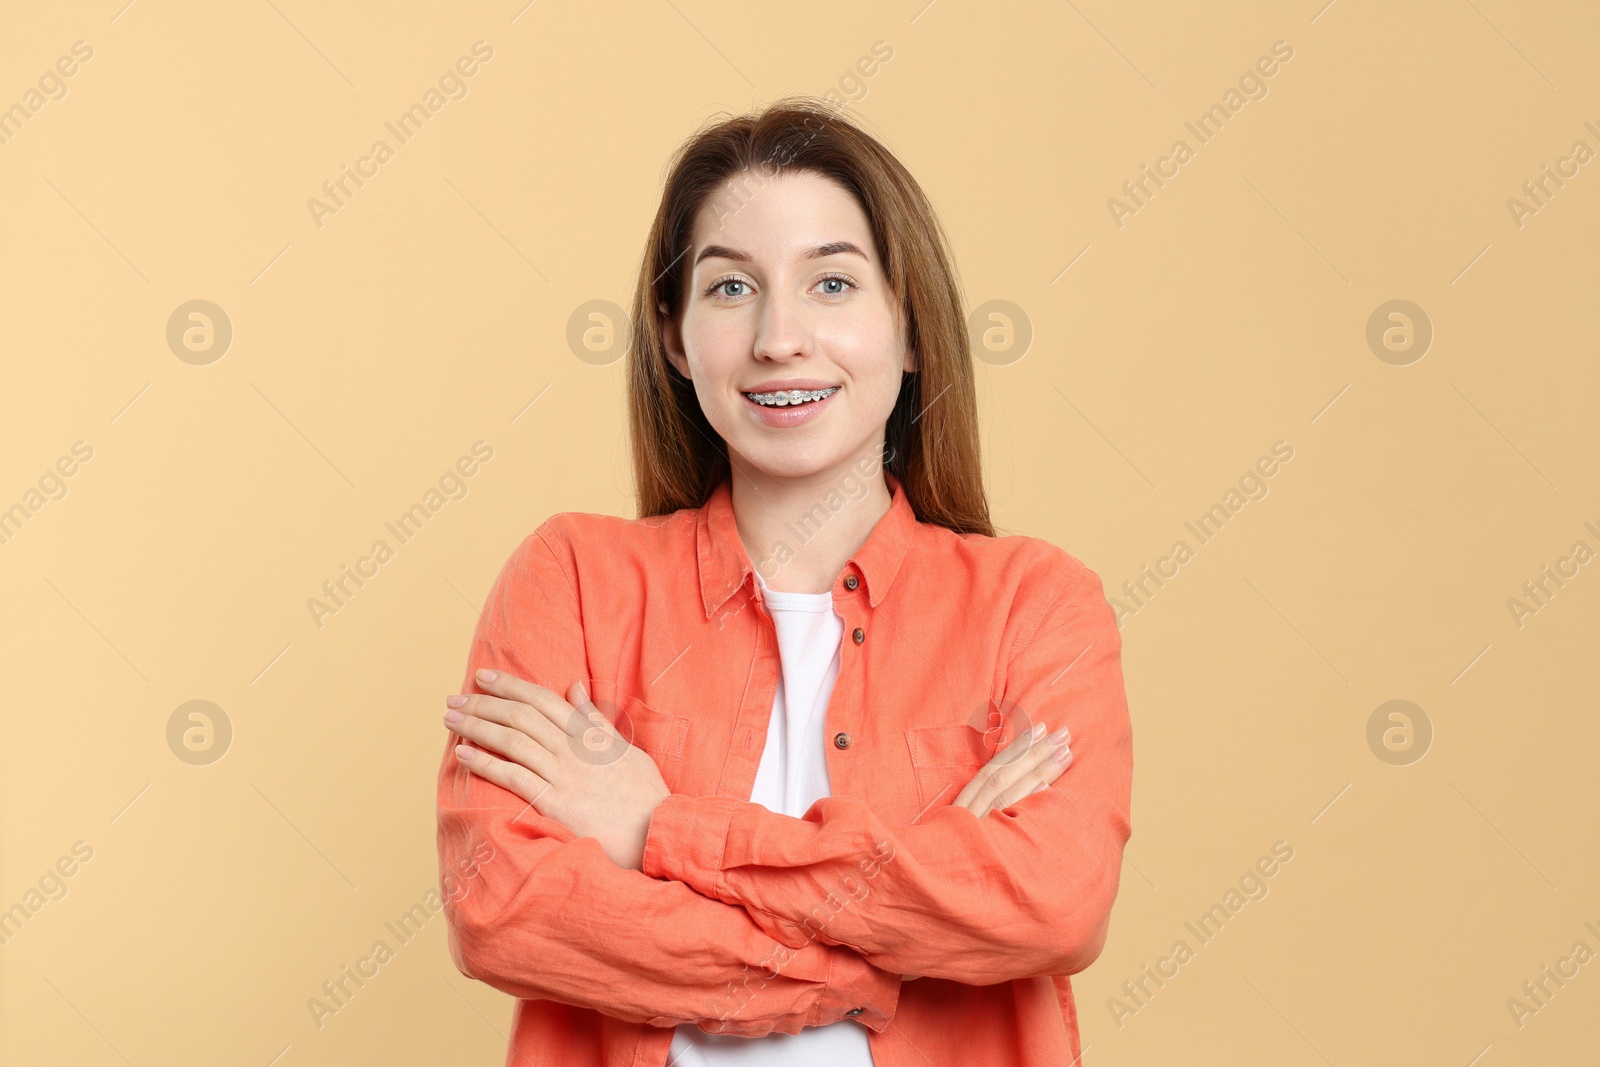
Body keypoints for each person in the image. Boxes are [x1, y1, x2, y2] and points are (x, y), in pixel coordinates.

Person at [435, 96, 1133, 1067]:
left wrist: (657, 828)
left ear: (912, 326)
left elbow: (1051, 902)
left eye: (833, 283)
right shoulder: (575, 579)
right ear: (675, 338)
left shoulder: (1034, 602)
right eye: (730, 289)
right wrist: (888, 947)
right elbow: (502, 905)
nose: (778, 337)